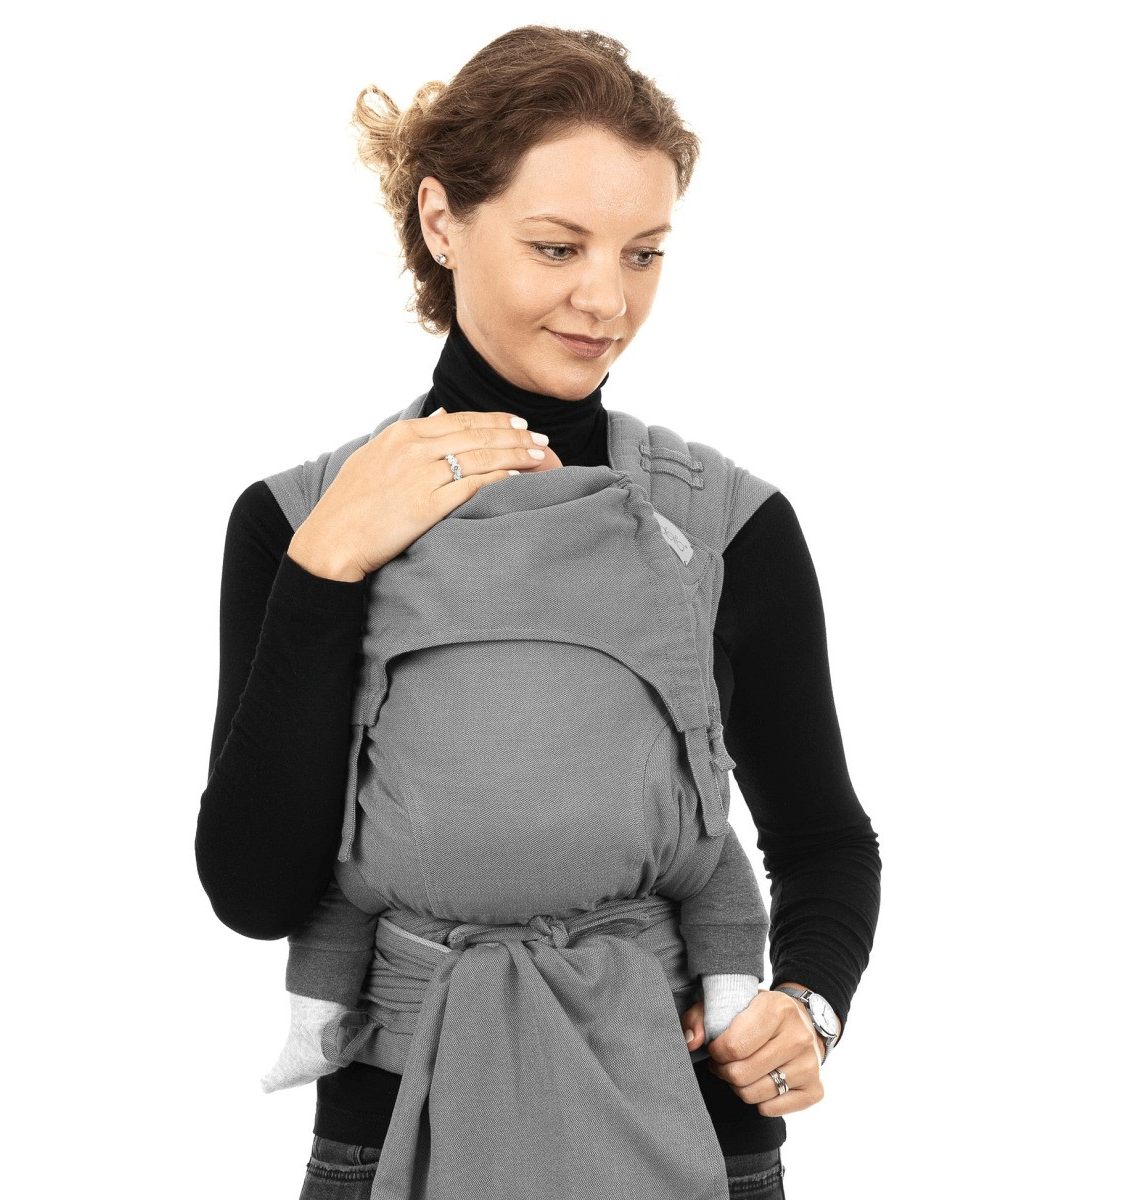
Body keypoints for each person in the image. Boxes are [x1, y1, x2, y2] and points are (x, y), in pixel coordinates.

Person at [196, 24, 882, 1200]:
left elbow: (822, 839)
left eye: (645, 253)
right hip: (390, 1136)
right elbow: (255, 892)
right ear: (441, 221)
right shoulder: (301, 520)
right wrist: (326, 570)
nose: (606, 300)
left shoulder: (727, 522)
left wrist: (809, 1005)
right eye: (557, 247)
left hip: (690, 1127)